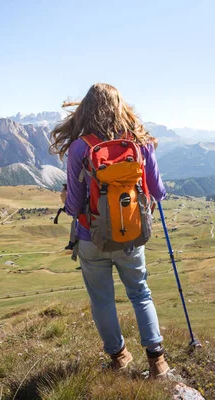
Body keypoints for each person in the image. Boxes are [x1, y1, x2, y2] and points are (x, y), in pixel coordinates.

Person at [50, 83, 170, 377]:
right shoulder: (140, 143)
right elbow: (158, 192)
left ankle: (120, 357)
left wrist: (66, 200)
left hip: (92, 239)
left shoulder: (80, 147)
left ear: (84, 110)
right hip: (131, 235)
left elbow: (75, 205)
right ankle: (157, 360)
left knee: (102, 299)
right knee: (140, 293)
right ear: (121, 107)